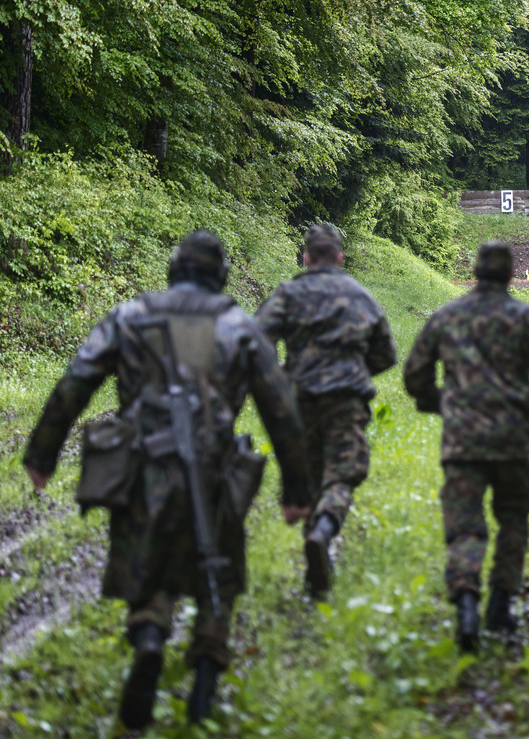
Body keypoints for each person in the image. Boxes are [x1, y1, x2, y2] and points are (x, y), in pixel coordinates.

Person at [22, 230, 312, 729]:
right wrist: (297, 487)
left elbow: (77, 378)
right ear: (219, 274)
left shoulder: (132, 316)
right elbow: (281, 410)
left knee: (149, 559)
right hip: (214, 467)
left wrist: (43, 452)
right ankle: (205, 666)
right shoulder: (238, 326)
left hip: (143, 465)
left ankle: (151, 634)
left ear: (174, 270)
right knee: (217, 562)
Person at [403, 240, 529, 652]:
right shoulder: (526, 318)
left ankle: (467, 604)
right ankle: (501, 602)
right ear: (511, 274)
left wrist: (438, 403)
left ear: (475, 271)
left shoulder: (448, 315)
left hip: (462, 440)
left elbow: (415, 372)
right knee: (513, 518)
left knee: (465, 525)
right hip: (511, 438)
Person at [256, 223, 397, 598]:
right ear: (339, 257)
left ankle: (316, 573)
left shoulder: (289, 293)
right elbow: (386, 353)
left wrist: (278, 376)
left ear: (305, 257)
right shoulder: (358, 295)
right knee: (343, 474)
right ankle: (322, 532)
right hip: (345, 401)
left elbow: (257, 340)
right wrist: (354, 370)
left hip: (298, 401)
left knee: (312, 476)